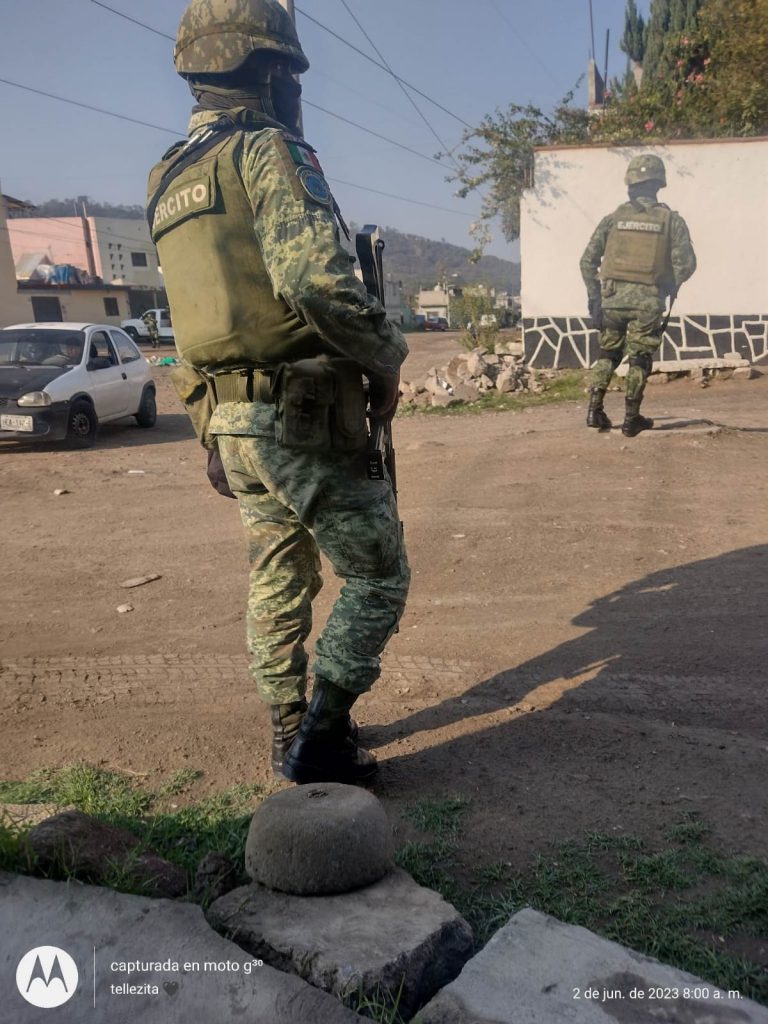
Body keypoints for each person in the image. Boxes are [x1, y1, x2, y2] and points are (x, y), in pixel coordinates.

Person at [147, 0, 410, 785]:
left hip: (230, 419)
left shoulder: (168, 176)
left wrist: (209, 430)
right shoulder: (267, 150)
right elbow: (317, 285)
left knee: (277, 573)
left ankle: (286, 728)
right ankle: (320, 740)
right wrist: (387, 360)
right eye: (289, 71)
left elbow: (189, 317)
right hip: (302, 414)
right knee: (376, 574)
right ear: (268, 68)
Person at [580, 154, 697, 437]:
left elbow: (587, 261)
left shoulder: (613, 220)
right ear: (658, 184)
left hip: (612, 299)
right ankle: (632, 418)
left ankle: (595, 410)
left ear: (630, 185)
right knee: (639, 358)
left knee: (607, 354)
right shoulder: (671, 220)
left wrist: (594, 297)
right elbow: (687, 265)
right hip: (648, 301)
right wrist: (669, 285)